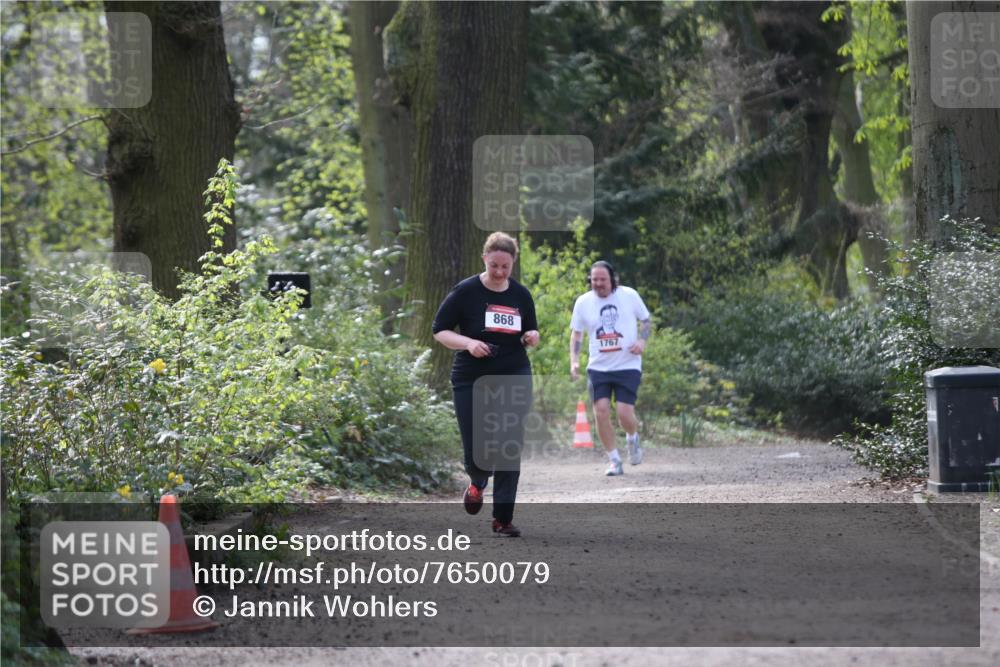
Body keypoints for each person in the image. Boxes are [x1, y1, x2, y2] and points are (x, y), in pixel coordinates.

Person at [432, 232, 540, 536]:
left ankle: (503, 518)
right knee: (476, 448)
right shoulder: (465, 291)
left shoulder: (520, 295)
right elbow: (439, 330)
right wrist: (468, 343)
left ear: (513, 264)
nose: (500, 272)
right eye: (494, 265)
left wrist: (531, 337)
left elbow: (531, 331)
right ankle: (478, 481)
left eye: (506, 267)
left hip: (513, 372)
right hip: (472, 376)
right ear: (484, 259)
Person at [569, 260, 651, 476]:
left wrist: (642, 342)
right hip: (598, 368)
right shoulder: (583, 302)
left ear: (613, 279)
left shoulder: (629, 296)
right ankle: (614, 460)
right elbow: (576, 334)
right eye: (594, 280)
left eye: (602, 279)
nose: (598, 284)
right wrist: (574, 360)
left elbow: (646, 320)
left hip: (628, 364)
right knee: (601, 412)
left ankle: (632, 438)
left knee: (624, 414)